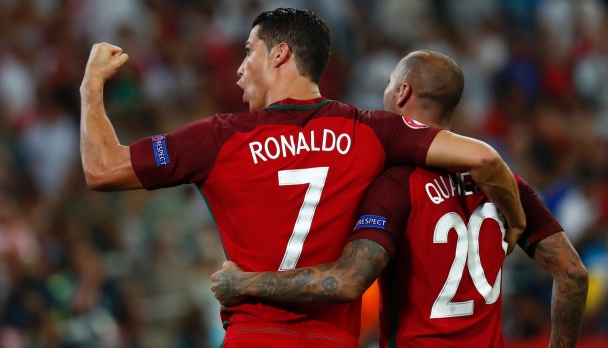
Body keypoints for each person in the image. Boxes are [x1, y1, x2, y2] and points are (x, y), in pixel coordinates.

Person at [80, 7, 526, 347]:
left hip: (255, 334)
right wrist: (516, 219)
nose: (239, 68)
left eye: (248, 52)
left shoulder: (218, 138)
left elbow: (102, 169)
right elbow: (485, 159)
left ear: (281, 53)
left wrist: (91, 87)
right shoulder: (369, 129)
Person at [210, 50, 589, 347]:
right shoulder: (507, 186)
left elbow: (347, 281)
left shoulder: (395, 183)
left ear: (403, 92)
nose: (385, 91)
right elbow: (572, 274)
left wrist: (244, 283)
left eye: (390, 83)